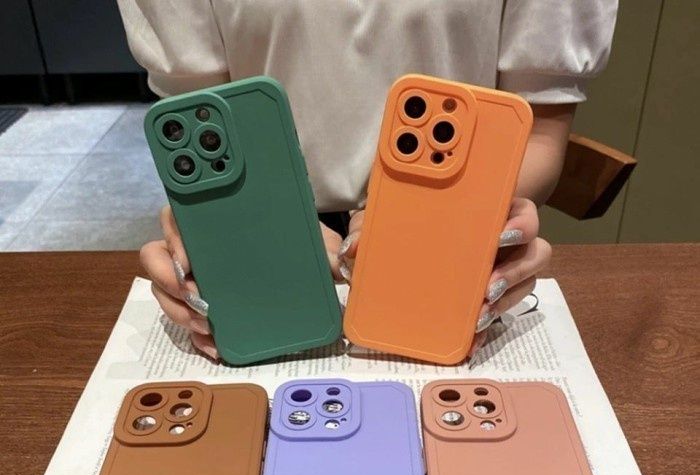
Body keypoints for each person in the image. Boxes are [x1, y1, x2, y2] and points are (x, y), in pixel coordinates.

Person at [117, 0, 618, 360]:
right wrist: (200, 220)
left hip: (445, 220)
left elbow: (537, 129)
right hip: (266, 225)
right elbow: (195, 122)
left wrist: (477, 216)